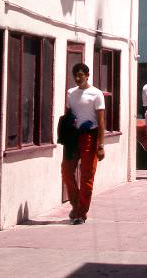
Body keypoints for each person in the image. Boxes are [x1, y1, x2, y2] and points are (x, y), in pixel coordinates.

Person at [61, 63, 105, 224]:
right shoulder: (70, 93)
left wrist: (101, 145)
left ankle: (81, 213)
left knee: (87, 175)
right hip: (73, 137)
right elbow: (68, 115)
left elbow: (101, 122)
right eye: (75, 75)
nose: (77, 78)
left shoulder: (96, 94)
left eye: (80, 75)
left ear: (88, 75)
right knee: (66, 171)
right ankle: (75, 204)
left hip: (90, 136)